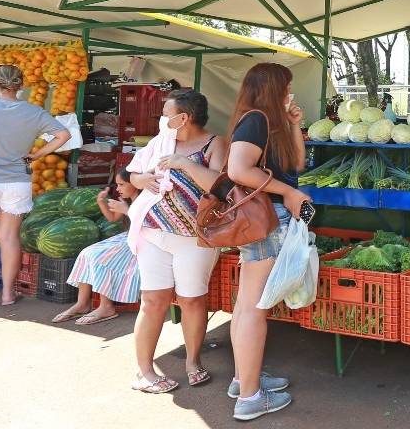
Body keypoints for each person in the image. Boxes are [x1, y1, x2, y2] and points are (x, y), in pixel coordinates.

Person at [164, 63, 310, 421]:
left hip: (269, 219)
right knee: (253, 309)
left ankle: (244, 378)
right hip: (267, 220)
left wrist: (293, 124)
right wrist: (288, 192)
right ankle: (249, 397)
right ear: (274, 87)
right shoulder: (255, 120)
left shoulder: (267, 122)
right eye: (287, 87)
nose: (290, 92)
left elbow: (297, 163)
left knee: (250, 306)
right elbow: (239, 171)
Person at [125, 90, 227, 394]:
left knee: (192, 300)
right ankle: (144, 371)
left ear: (183, 118)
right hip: (154, 232)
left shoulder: (215, 143)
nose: (161, 117)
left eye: (165, 112)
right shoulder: (160, 142)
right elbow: (134, 175)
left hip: (195, 238)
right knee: (153, 301)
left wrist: (185, 164)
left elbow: (219, 186)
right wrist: (141, 181)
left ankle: (193, 362)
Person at [0, 64, 71, 311]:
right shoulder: (34, 111)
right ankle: (8, 294)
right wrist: (37, 154)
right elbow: (63, 135)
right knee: (9, 237)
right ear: (21, 85)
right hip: (17, 181)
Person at [52, 170, 141, 325]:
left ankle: (106, 306)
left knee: (101, 258)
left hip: (140, 242)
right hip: (125, 239)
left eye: (121, 184)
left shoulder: (144, 200)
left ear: (135, 183)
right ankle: (82, 304)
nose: (118, 189)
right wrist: (101, 202)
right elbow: (112, 218)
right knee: (87, 253)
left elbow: (147, 224)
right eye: (117, 185)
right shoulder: (125, 200)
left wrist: (127, 210)